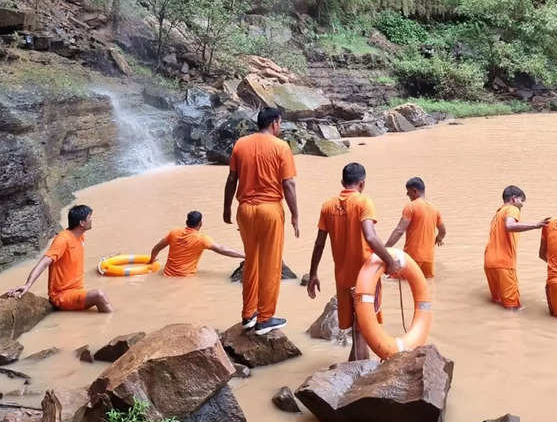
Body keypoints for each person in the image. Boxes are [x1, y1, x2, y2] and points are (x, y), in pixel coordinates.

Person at [306, 162, 400, 361]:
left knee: (358, 331)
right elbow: (371, 237)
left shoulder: (328, 206)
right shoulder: (363, 202)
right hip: (365, 276)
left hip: (342, 278)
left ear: (342, 182)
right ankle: (360, 377)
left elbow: (319, 244)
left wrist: (313, 274)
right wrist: (390, 261)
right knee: (362, 330)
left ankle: (354, 371)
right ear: (362, 183)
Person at [223, 107, 299, 335]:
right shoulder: (281, 146)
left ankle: (248, 314)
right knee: (271, 264)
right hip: (269, 210)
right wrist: (295, 215)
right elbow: (289, 184)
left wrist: (226, 207)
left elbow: (231, 178)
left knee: (252, 261)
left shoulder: (241, 144)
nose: (281, 127)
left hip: (245, 210)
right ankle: (265, 318)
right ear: (275, 123)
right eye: (281, 123)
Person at [4, 205, 112, 312]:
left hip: (77, 291)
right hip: (61, 295)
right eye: (89, 217)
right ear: (82, 223)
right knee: (99, 295)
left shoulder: (80, 236)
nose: (92, 220)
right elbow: (44, 262)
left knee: (105, 294)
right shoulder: (63, 240)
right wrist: (27, 284)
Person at [484, 186, 549, 310]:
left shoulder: (498, 213)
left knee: (497, 303)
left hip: (489, 262)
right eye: (521, 200)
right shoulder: (512, 209)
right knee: (512, 308)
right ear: (514, 199)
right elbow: (510, 226)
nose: (522, 204)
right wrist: (536, 225)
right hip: (503, 263)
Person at [149, 211, 245, 277]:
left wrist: (151, 260)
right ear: (200, 223)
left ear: (186, 222)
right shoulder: (201, 239)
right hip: (186, 279)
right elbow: (222, 250)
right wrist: (245, 255)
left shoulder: (174, 233)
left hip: (167, 275)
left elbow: (157, 248)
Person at [385, 177, 446, 279]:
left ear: (414, 191)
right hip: (429, 259)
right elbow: (443, 232)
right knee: (425, 285)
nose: (407, 195)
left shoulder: (411, 207)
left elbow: (399, 230)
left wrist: (385, 249)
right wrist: (438, 239)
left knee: (391, 279)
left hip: (413, 257)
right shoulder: (435, 209)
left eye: (408, 192)